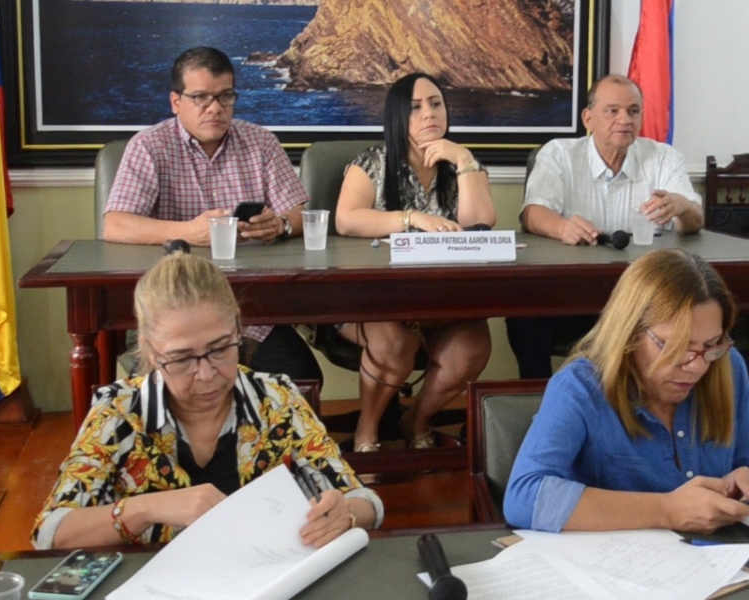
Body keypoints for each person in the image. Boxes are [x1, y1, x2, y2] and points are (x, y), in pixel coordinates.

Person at [31, 251, 382, 549]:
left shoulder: (276, 400)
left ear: (238, 330)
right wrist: (144, 509)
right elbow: (50, 532)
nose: (206, 374)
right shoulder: (119, 412)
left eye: (220, 349)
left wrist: (345, 513)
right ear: (152, 353)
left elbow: (366, 502)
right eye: (182, 359)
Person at [504, 249, 749, 533]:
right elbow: (524, 498)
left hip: (717, 560)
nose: (696, 367)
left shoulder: (727, 368)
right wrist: (667, 510)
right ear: (630, 333)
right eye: (674, 347)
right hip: (610, 569)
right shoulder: (581, 387)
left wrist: (748, 482)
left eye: (711, 345)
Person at [103, 46, 321, 383]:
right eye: (201, 98)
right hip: (170, 307)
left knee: (302, 379)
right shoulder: (149, 146)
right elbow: (115, 224)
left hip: (247, 308)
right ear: (176, 101)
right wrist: (187, 233)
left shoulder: (260, 142)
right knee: (181, 387)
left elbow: (296, 215)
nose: (215, 108)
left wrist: (277, 226)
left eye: (225, 97)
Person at [333, 73, 495, 452]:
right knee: (393, 343)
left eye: (436, 104)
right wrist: (410, 219)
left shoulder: (462, 164)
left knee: (471, 348)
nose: (429, 114)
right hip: (375, 299)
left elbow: (480, 224)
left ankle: (416, 420)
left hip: (442, 300)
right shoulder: (372, 162)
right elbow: (347, 219)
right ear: (397, 116)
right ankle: (367, 431)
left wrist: (465, 160)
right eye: (416, 107)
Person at [506, 74, 705, 380]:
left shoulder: (663, 157)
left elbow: (695, 219)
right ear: (589, 118)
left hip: (645, 301)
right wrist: (561, 228)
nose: (624, 120)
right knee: (524, 316)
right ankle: (540, 407)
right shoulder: (559, 154)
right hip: (573, 295)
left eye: (633, 111)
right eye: (612, 111)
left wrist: (681, 205)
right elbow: (532, 213)